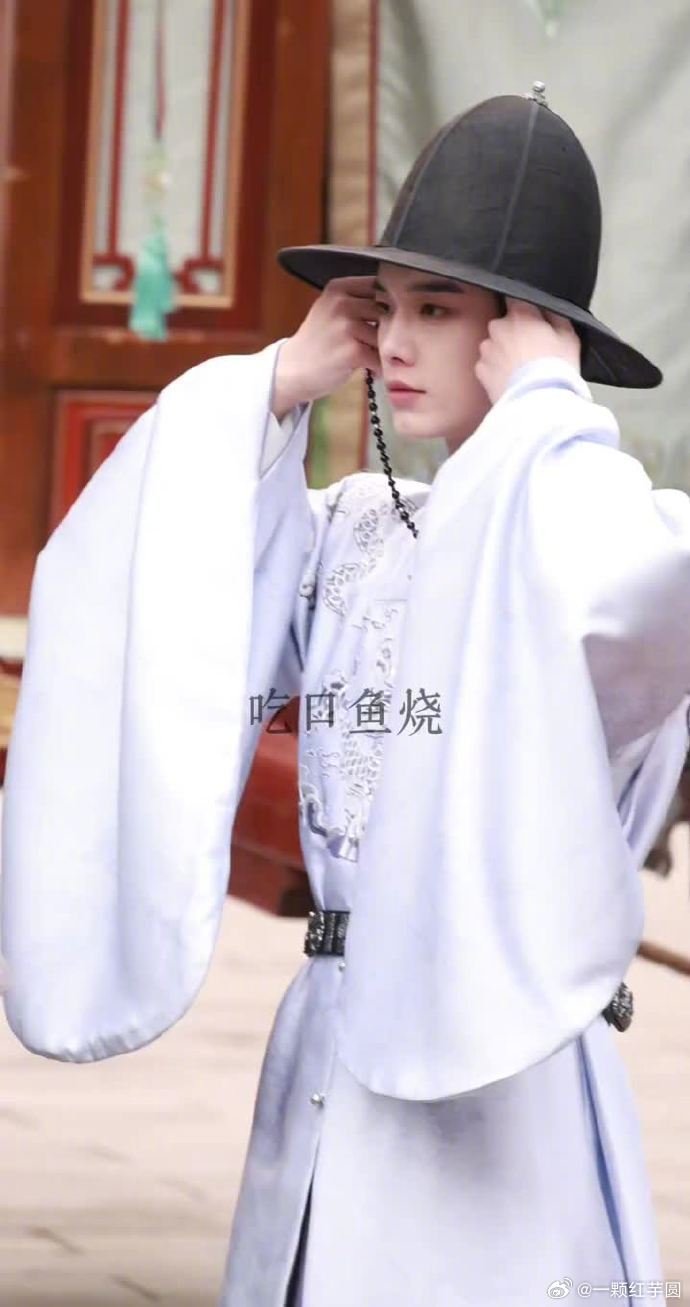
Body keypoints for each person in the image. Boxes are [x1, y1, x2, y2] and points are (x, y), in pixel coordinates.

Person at [2, 87, 690, 1307]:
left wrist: (548, 406)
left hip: (499, 1062)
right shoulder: (357, 530)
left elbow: (634, 600)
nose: (400, 343)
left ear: (527, 336)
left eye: (440, 310)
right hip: (331, 1030)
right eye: (388, 307)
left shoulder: (593, 515)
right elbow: (153, 575)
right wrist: (269, 388)